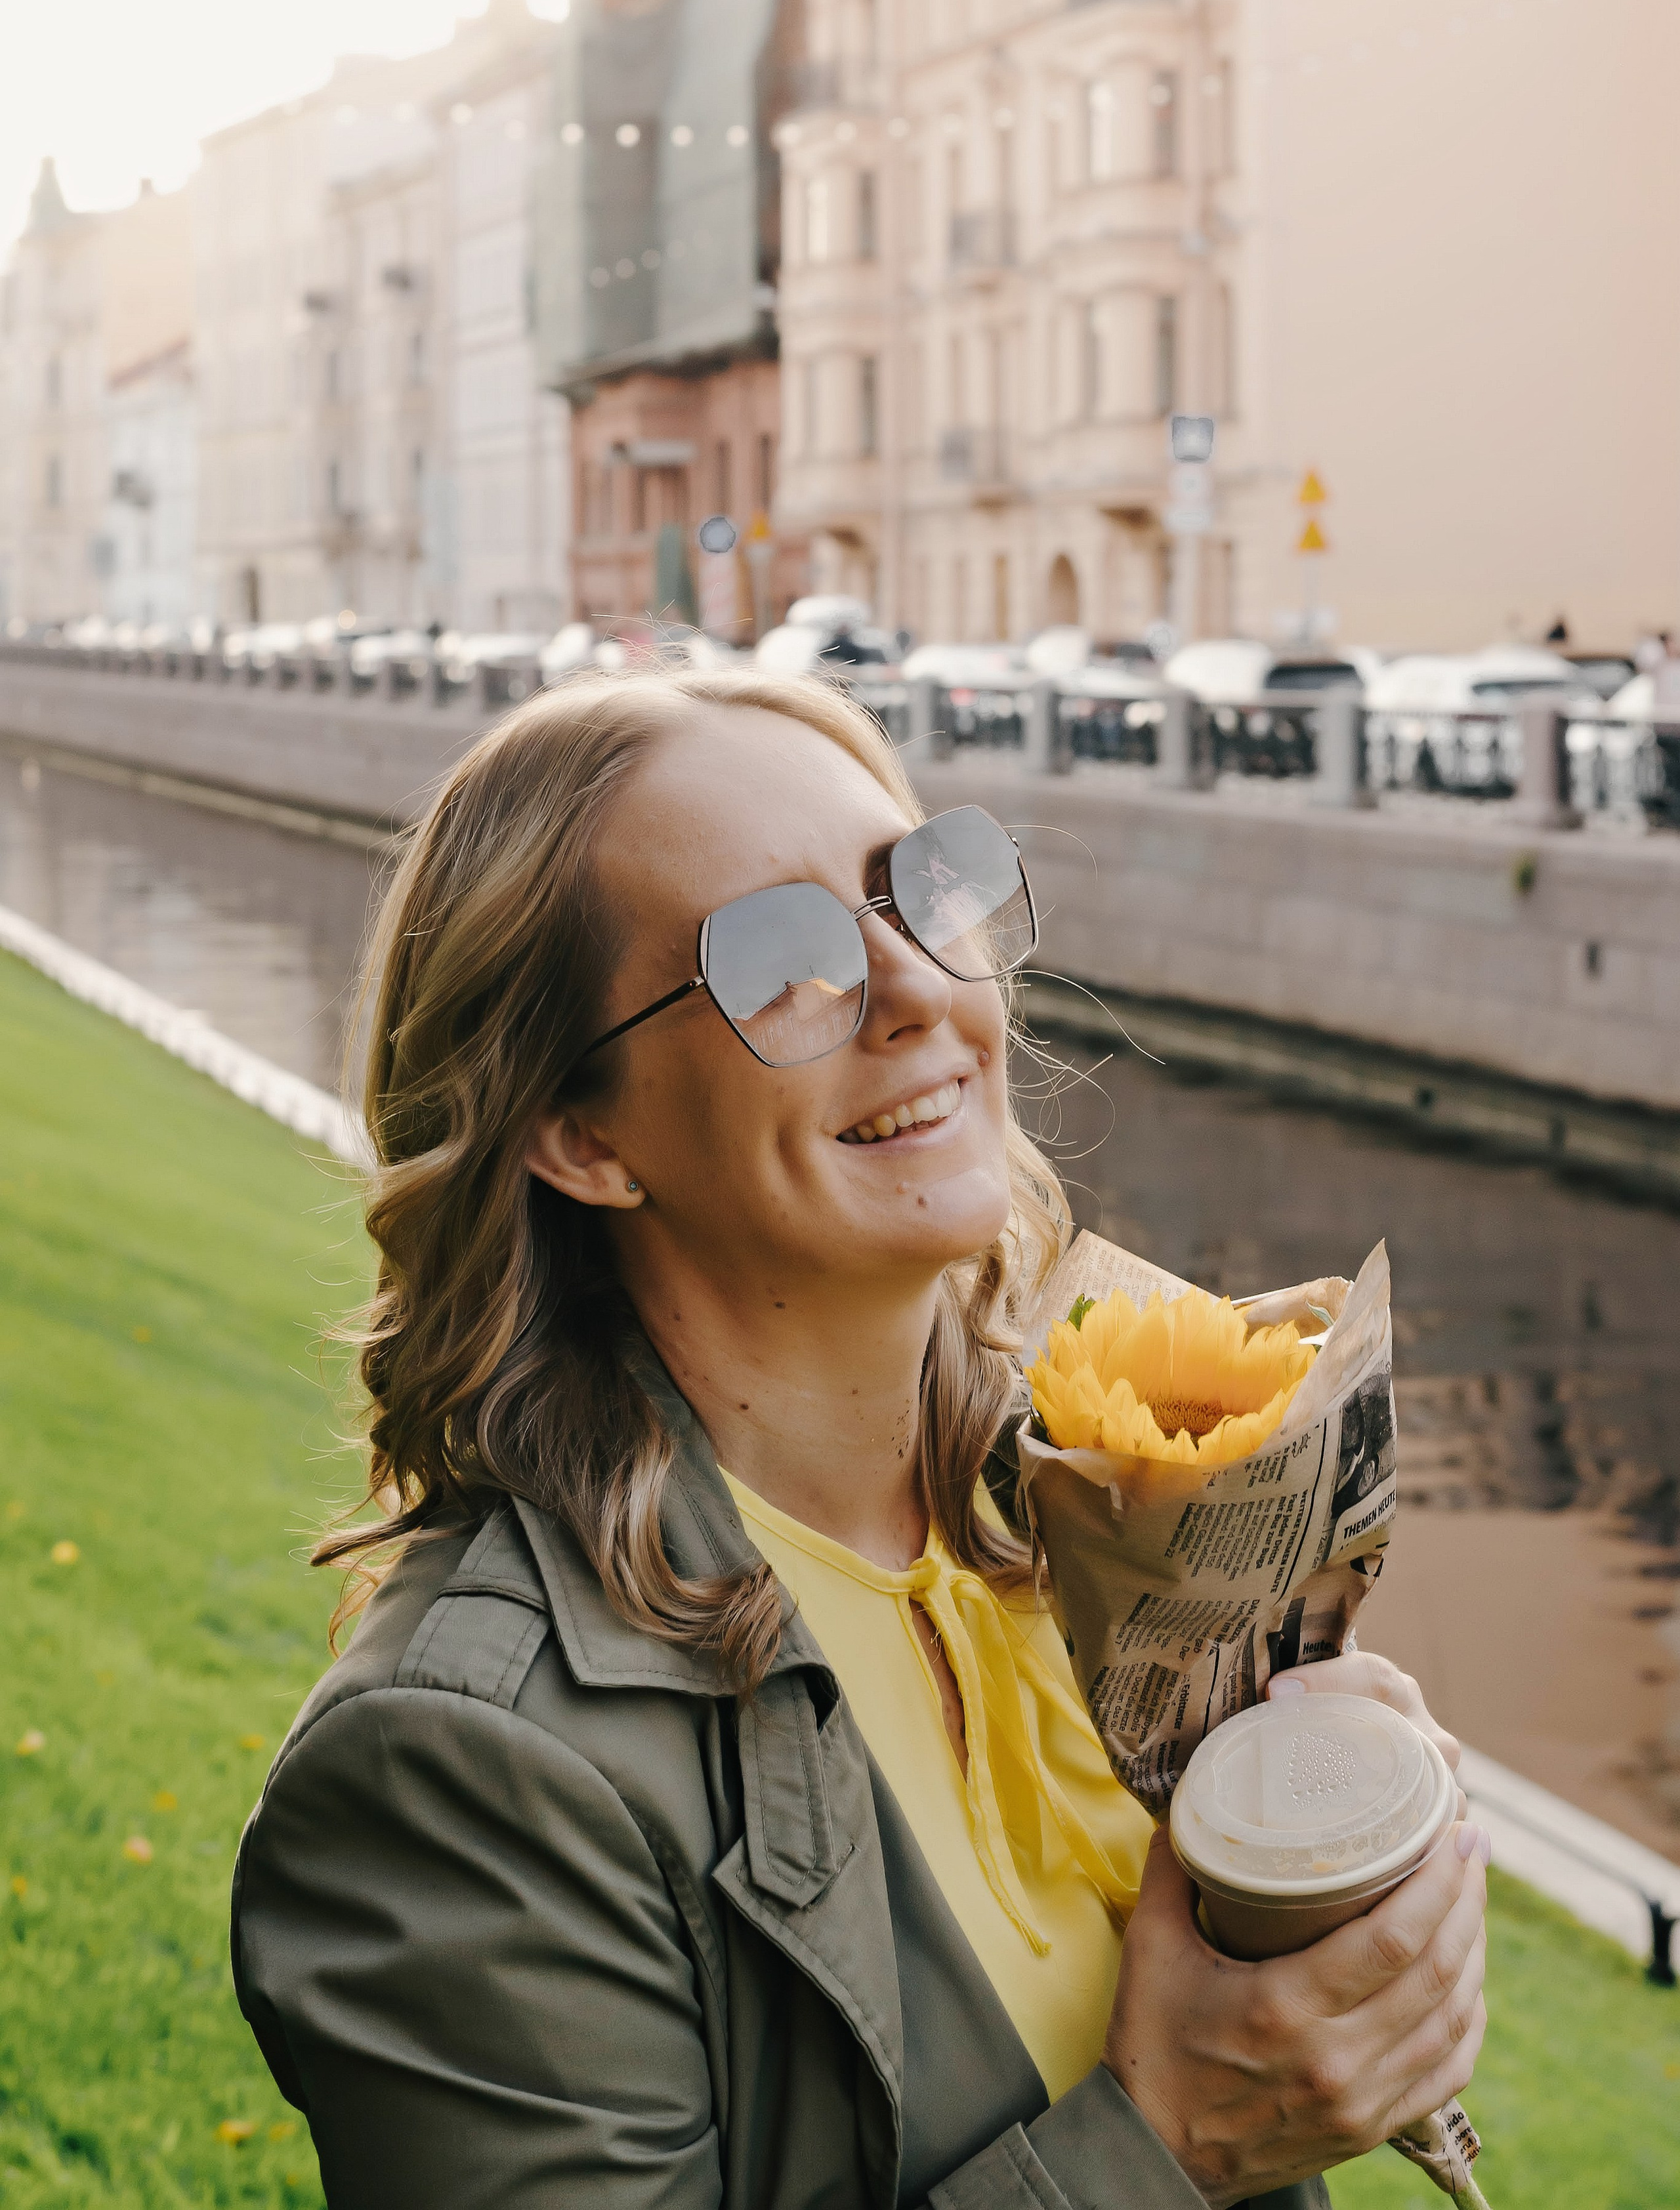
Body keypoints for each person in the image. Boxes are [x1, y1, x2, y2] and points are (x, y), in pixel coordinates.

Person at [232, 669, 1486, 2209]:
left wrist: (1338, 1864)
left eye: (918, 891)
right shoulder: (460, 1768)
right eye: (776, 962)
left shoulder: (1073, 1513)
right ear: (580, 1132)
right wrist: (1168, 2145)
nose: (916, 994)